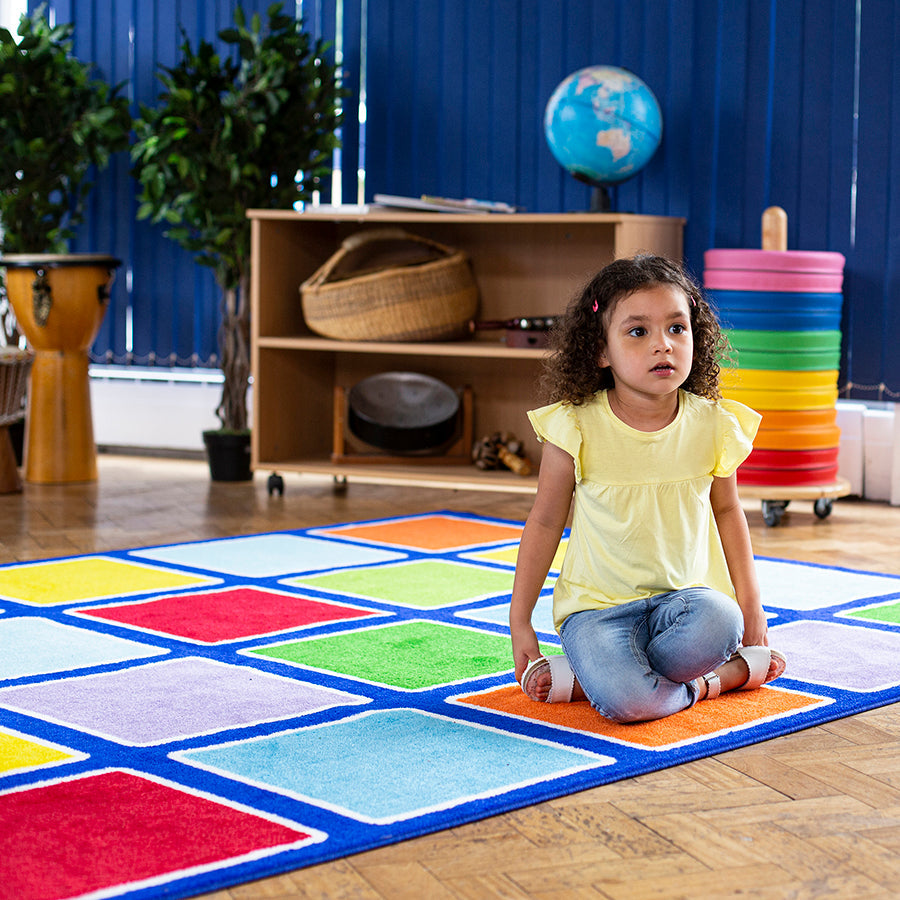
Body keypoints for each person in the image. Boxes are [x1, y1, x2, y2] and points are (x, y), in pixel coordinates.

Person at [510, 254, 786, 723]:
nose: (663, 345)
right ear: (601, 351)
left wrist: (752, 605)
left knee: (724, 620)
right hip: (597, 611)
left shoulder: (714, 423)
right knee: (630, 705)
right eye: (638, 332)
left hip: (687, 604)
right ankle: (717, 679)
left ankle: (593, 678)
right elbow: (544, 521)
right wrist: (520, 620)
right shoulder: (573, 426)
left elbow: (728, 513)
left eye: (677, 329)